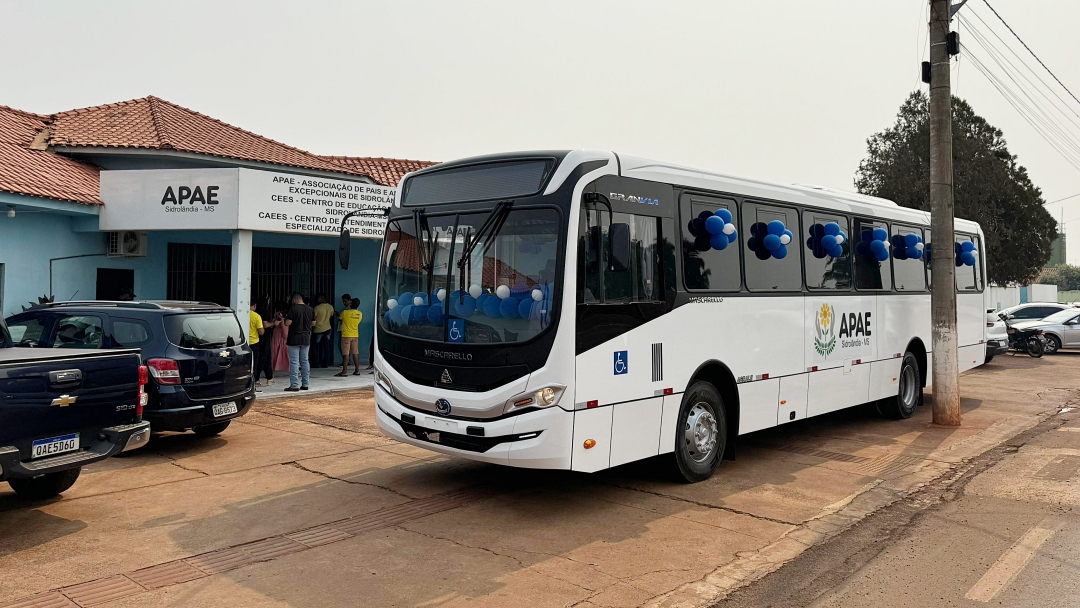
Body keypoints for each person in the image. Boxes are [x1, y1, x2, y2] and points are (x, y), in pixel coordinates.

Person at [283, 293, 314, 392]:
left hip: (294, 338)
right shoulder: (310, 309)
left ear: (295, 300)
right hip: (306, 337)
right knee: (305, 361)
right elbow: (313, 323)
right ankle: (305, 384)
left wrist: (284, 319)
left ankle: (294, 385)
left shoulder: (293, 308)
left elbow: (287, 323)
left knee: (294, 362)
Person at [254, 294, 280, 386]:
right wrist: (274, 323)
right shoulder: (263, 311)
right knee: (263, 357)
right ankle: (256, 378)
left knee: (267, 356)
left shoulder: (257, 311)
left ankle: (269, 376)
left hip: (263, 336)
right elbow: (265, 325)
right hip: (264, 336)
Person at [337, 298, 363, 377]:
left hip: (346, 335)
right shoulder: (360, 314)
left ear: (351, 303)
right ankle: (357, 370)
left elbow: (340, 318)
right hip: (355, 335)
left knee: (346, 353)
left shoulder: (345, 313)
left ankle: (344, 371)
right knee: (355, 353)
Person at [312, 294, 335, 368]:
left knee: (315, 347)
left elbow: (313, 318)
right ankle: (326, 363)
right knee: (326, 347)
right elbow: (331, 316)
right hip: (328, 328)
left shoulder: (317, 308)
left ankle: (316, 363)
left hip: (318, 329)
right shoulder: (330, 307)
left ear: (321, 299)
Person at [248, 300, 265, 392]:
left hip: (244, 343)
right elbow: (261, 332)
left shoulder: (241, 314)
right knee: (253, 365)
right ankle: (253, 386)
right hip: (254, 343)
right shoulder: (256, 316)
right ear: (254, 305)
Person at [339, 293, 351, 366]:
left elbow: (344, 319)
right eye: (343, 301)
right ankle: (347, 361)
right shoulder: (346, 309)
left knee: (344, 347)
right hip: (347, 331)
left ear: (350, 300)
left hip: (346, 331)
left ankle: (346, 362)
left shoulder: (348, 310)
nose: (344, 303)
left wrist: (339, 316)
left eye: (345, 301)